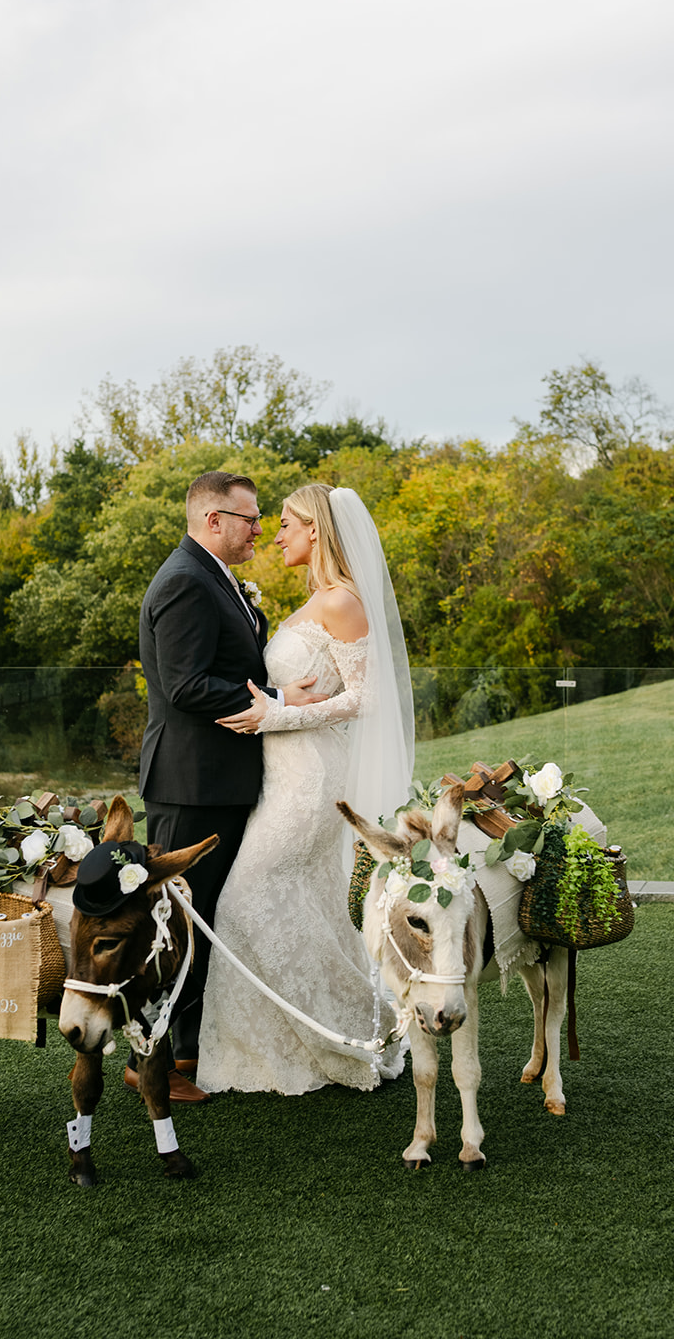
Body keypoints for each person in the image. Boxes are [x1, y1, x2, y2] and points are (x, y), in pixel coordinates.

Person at [195, 483, 414, 1095]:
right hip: (282, 773)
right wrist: (275, 711)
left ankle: (336, 1035)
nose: (276, 534)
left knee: (248, 897)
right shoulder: (317, 597)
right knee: (306, 905)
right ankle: (285, 1044)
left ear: (316, 530)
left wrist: (276, 716)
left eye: (287, 523)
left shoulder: (343, 600)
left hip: (314, 779)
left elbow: (368, 698)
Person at [135, 470, 321, 1102]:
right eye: (251, 518)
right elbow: (184, 686)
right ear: (214, 520)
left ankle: (186, 1050)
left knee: (206, 917)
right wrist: (275, 698)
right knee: (179, 924)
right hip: (192, 785)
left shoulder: (212, 577)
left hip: (219, 781)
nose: (259, 529)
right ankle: (148, 1060)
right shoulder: (187, 582)